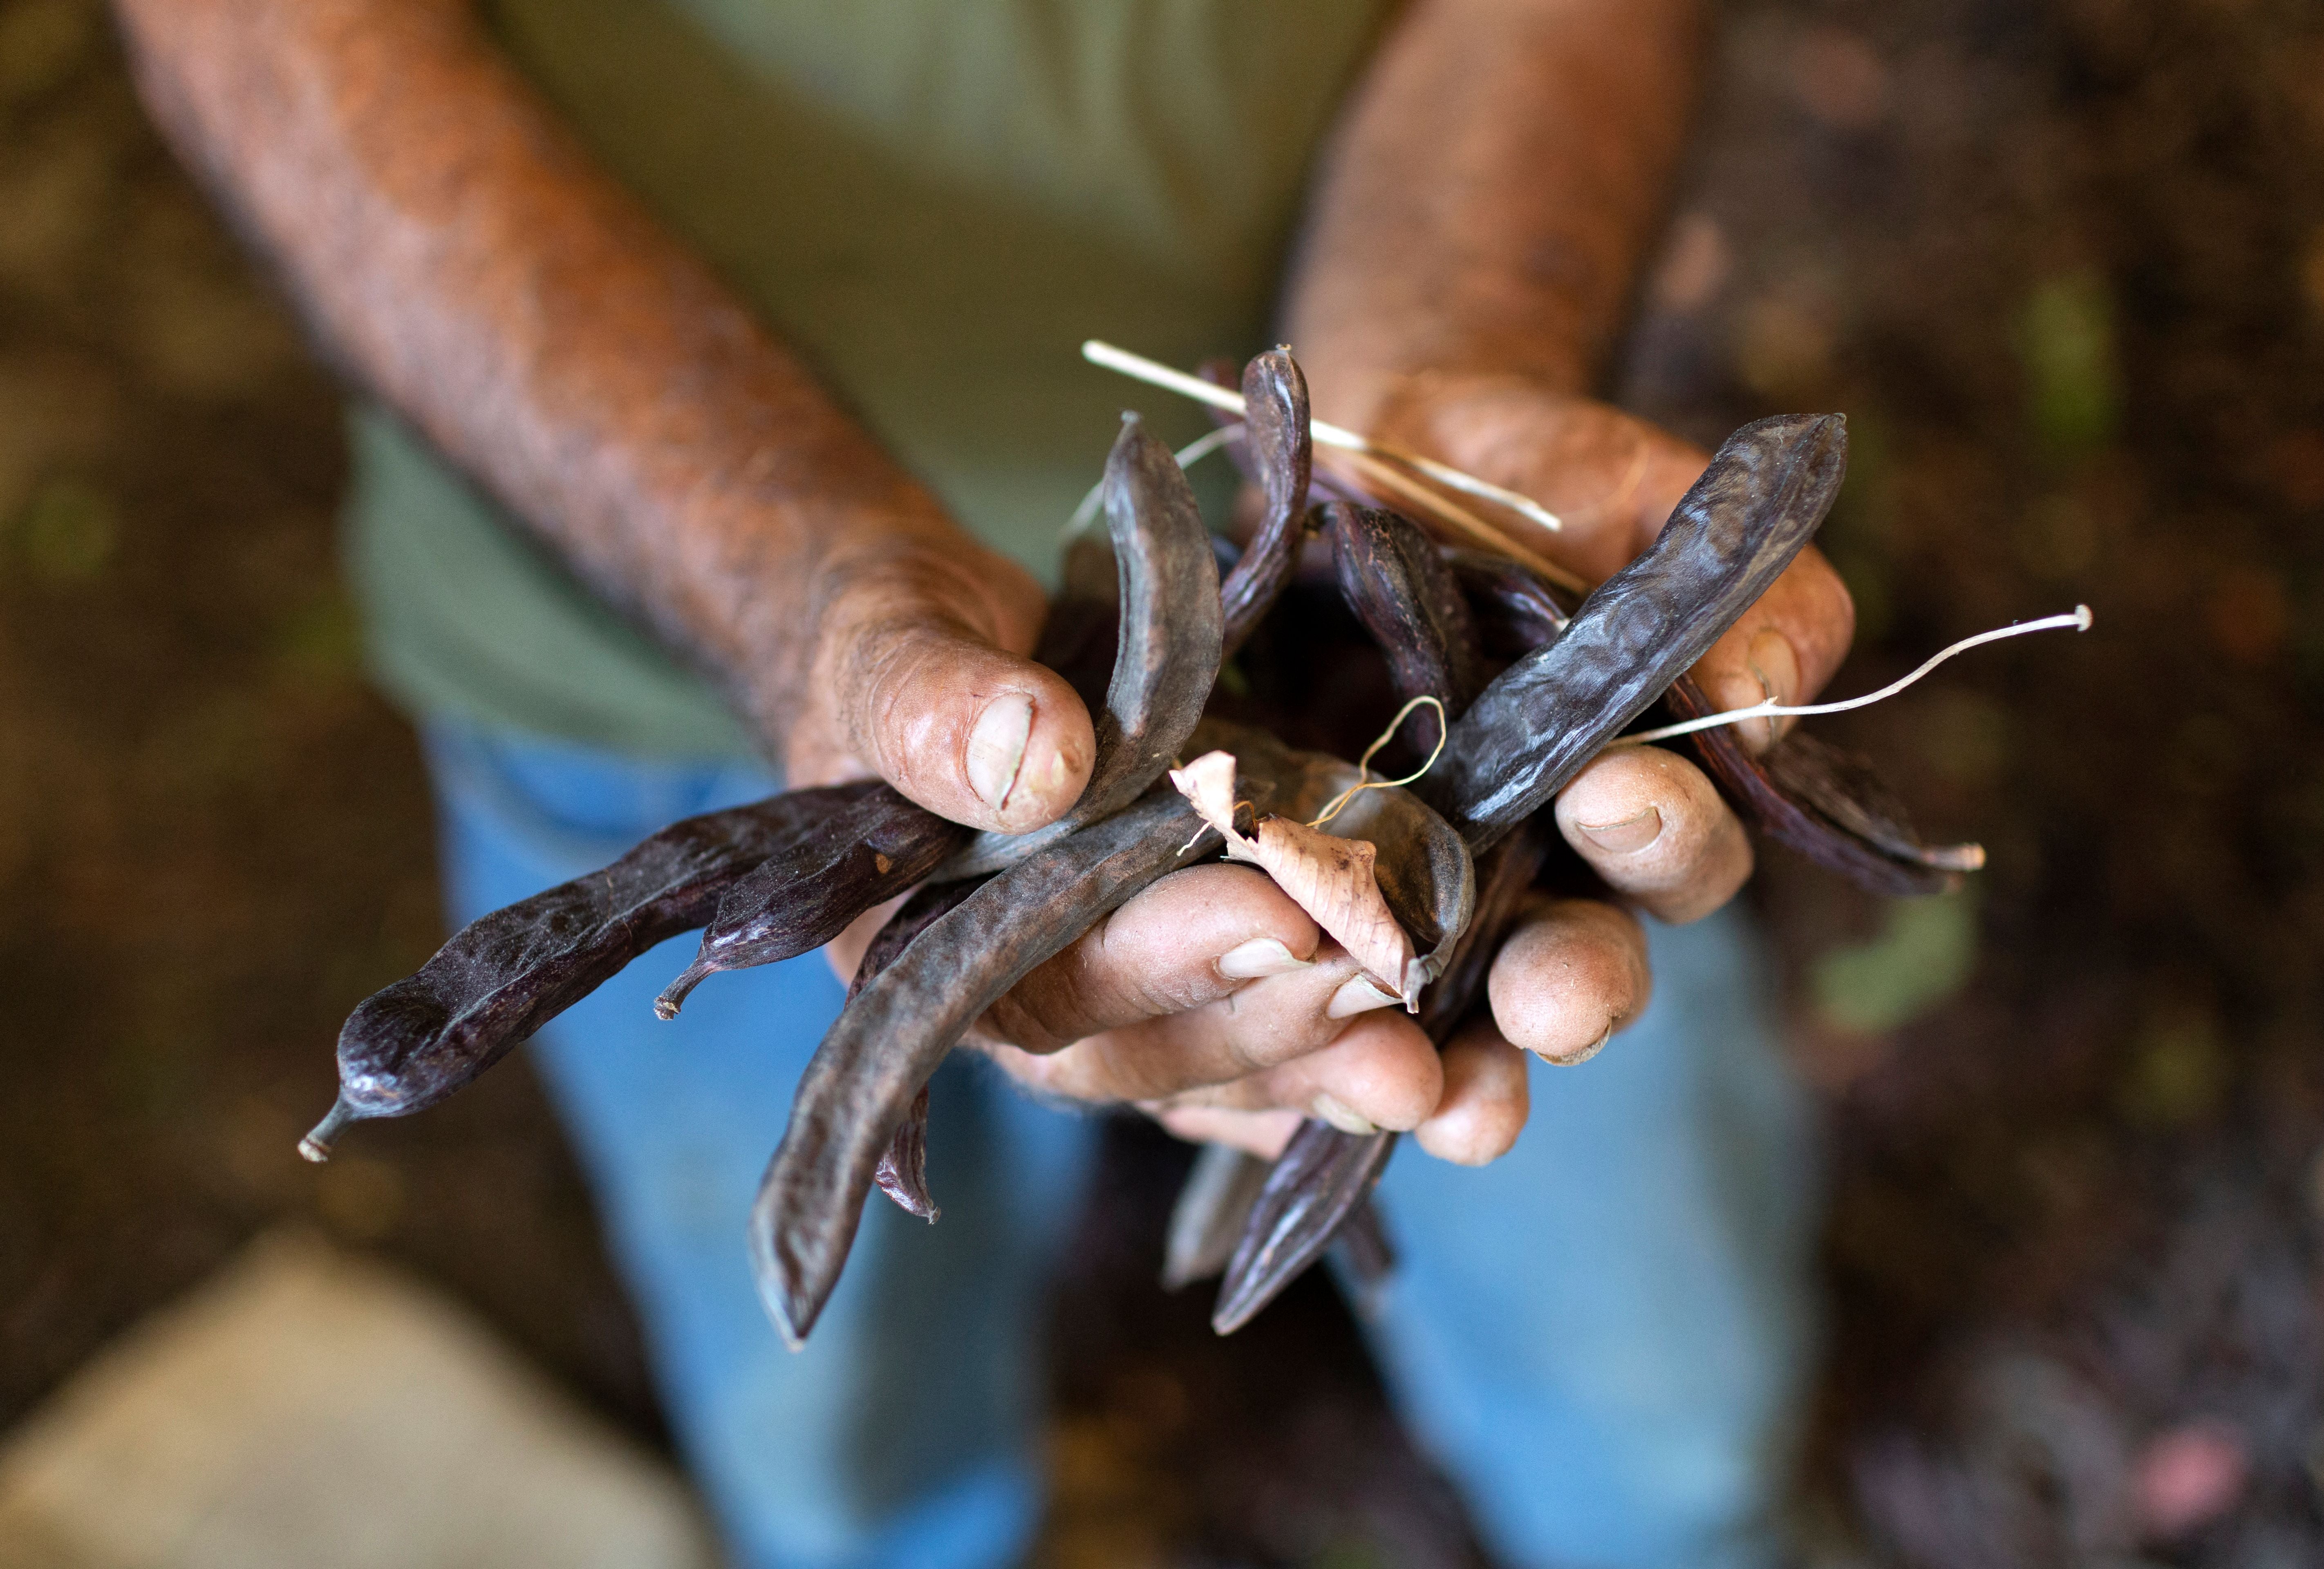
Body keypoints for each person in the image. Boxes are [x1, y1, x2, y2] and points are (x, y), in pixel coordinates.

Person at [114, 2, 1857, 1563]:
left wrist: (1441, 357)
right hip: (633, 632)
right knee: (850, 1443)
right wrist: (781, 573)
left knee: (1657, 1376)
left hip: (1409, 585)